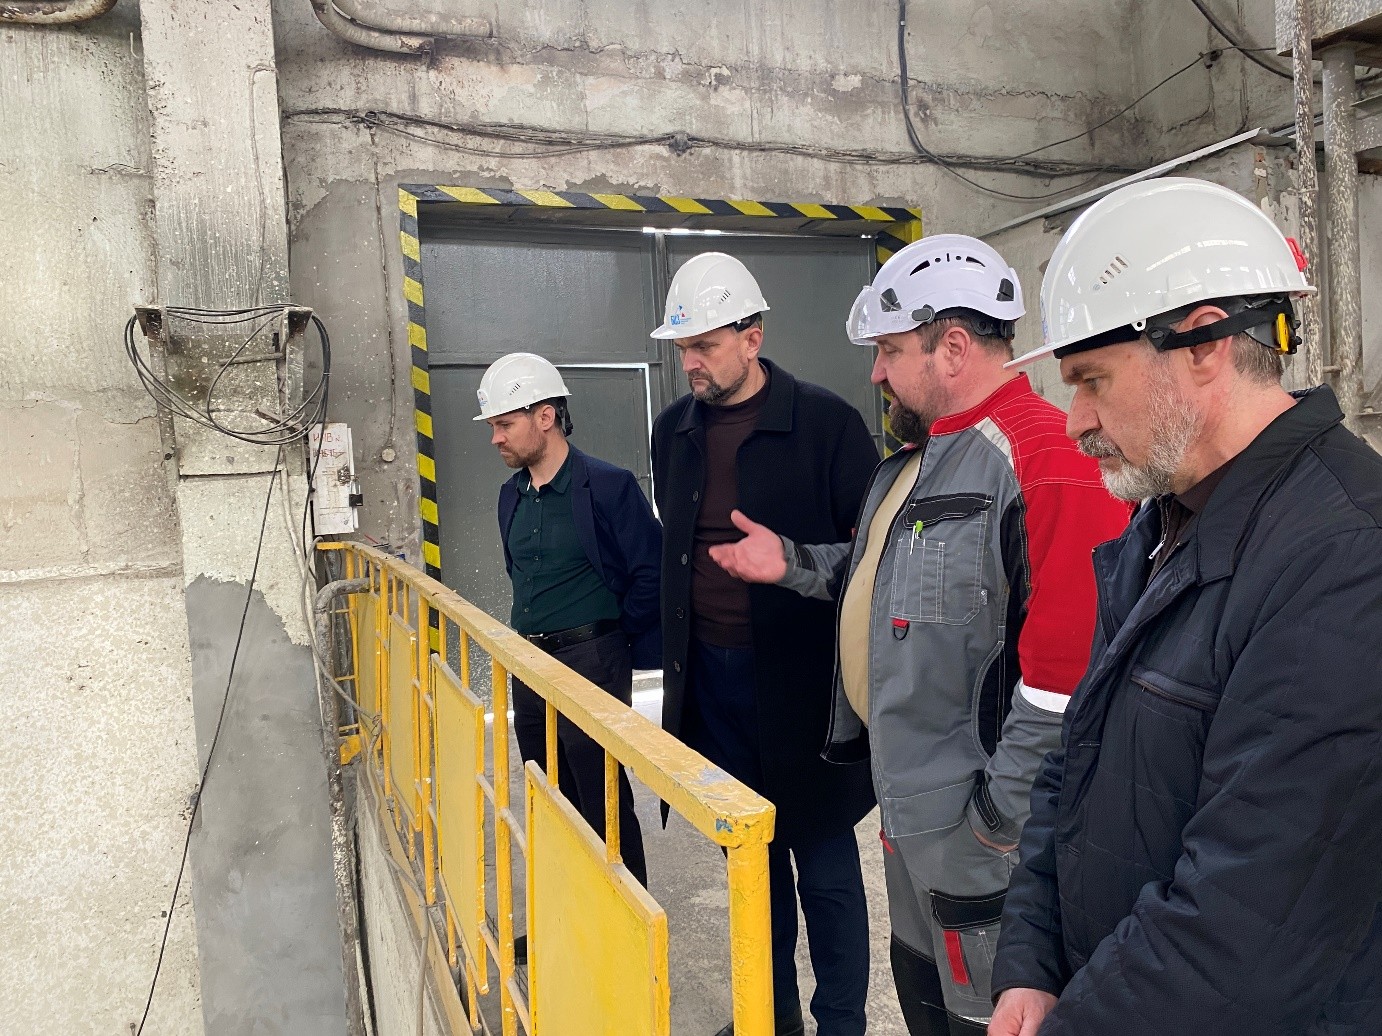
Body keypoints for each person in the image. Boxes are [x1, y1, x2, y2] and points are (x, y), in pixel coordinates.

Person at [989, 177, 1382, 1036]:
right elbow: (1075, 762)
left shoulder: (1346, 560)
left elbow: (1245, 927)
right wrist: (1029, 962)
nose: (1075, 421)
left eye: (1092, 381)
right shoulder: (1159, 524)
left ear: (1204, 342)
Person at [709, 236, 1128, 1035]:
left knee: (986, 1018)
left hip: (985, 839)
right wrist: (789, 563)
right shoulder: (914, 463)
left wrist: (996, 822)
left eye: (891, 351)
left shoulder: (1046, 457)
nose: (876, 373)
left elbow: (1069, 677)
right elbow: (884, 579)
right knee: (925, 1005)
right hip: (909, 818)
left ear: (954, 348)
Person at [649, 252, 879, 1036]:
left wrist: (790, 563)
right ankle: (771, 1021)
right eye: (682, 347)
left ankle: (841, 1025)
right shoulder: (673, 433)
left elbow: (876, 559)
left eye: (704, 345)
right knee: (752, 868)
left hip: (806, 690)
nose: (690, 362)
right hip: (712, 688)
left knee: (826, 874)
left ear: (752, 338)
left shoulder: (826, 425)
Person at [477, 352, 661, 889]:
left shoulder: (608, 486)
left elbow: (650, 572)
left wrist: (612, 640)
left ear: (545, 417)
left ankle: (626, 918)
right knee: (546, 795)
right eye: (493, 427)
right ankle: (565, 914)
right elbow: (518, 575)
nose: (496, 438)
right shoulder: (510, 496)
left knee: (602, 800)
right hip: (529, 665)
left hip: (591, 661)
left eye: (504, 425)